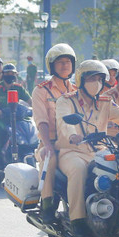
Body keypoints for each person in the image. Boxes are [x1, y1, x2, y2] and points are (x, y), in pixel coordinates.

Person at [54, 60, 119, 237]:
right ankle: (77, 220)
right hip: (72, 152)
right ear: (81, 80)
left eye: (100, 79)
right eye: (92, 78)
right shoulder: (66, 101)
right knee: (78, 170)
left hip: (98, 150)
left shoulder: (104, 102)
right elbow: (64, 122)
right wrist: (73, 135)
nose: (96, 83)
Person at [31, 43, 76, 215]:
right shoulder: (41, 91)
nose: (65, 65)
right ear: (52, 66)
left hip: (73, 142)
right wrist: (47, 144)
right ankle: (47, 205)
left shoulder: (78, 91)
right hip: (51, 142)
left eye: (68, 62)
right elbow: (41, 120)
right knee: (50, 161)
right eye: (60, 62)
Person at [0, 63, 32, 162]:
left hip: (17, 118)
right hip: (2, 118)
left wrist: (38, 108)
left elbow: (31, 101)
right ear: (3, 74)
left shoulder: (19, 88)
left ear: (15, 75)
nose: (10, 75)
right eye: (7, 73)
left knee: (30, 127)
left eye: (12, 73)